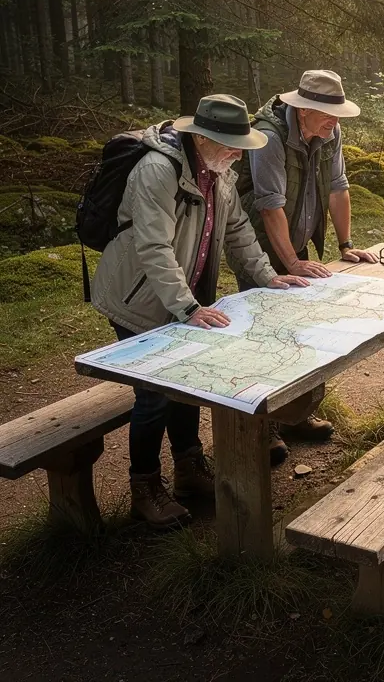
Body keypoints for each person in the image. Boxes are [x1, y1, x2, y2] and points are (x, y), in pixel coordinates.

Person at [90, 94, 309, 530]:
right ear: (201, 137)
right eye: (229, 144)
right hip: (138, 299)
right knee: (153, 394)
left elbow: (238, 230)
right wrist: (188, 307)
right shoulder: (157, 170)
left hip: (180, 297)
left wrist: (268, 276)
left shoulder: (218, 172)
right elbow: (151, 248)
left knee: (191, 380)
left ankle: (189, 470)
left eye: (239, 145)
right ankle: (145, 487)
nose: (236, 153)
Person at [235, 69, 378, 465]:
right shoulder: (268, 136)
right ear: (302, 111)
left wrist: (346, 244)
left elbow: (338, 186)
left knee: (301, 330)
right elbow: (268, 204)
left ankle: (295, 416)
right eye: (327, 115)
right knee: (264, 335)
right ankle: (261, 431)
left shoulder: (329, 133)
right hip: (259, 247)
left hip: (294, 240)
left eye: (338, 115)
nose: (335, 123)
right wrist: (291, 261)